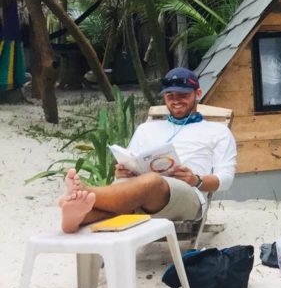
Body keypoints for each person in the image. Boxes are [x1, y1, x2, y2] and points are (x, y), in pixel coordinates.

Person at [58, 67, 237, 233]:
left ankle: (87, 192)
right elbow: (129, 160)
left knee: (152, 181)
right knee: (130, 194)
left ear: (198, 94)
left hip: (188, 194)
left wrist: (196, 180)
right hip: (138, 194)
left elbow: (226, 179)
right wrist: (122, 172)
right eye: (170, 95)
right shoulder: (147, 128)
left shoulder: (218, 131)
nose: (176, 101)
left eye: (183, 95)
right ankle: (74, 220)